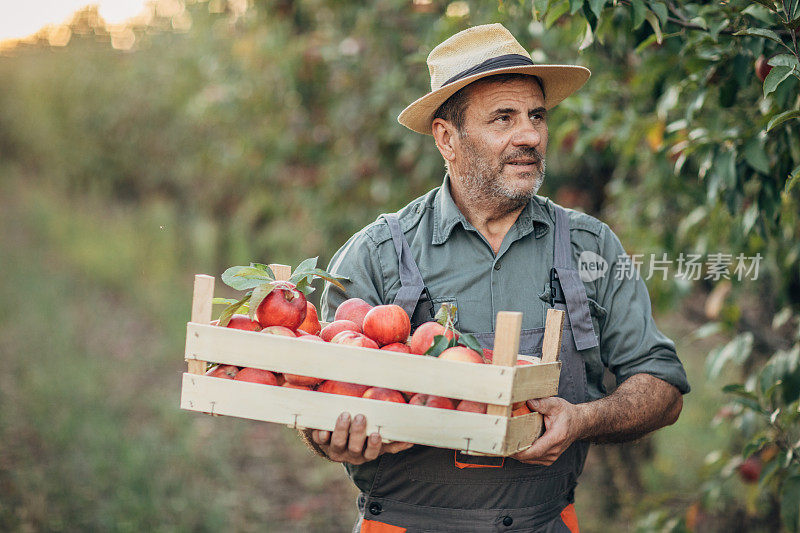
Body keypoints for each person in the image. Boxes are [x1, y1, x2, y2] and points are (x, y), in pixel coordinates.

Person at [301, 23, 690, 532]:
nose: (529, 135)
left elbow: (662, 385)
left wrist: (583, 419)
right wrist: (327, 435)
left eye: (536, 116)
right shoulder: (376, 253)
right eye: (503, 118)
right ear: (447, 138)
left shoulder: (589, 247)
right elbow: (316, 398)